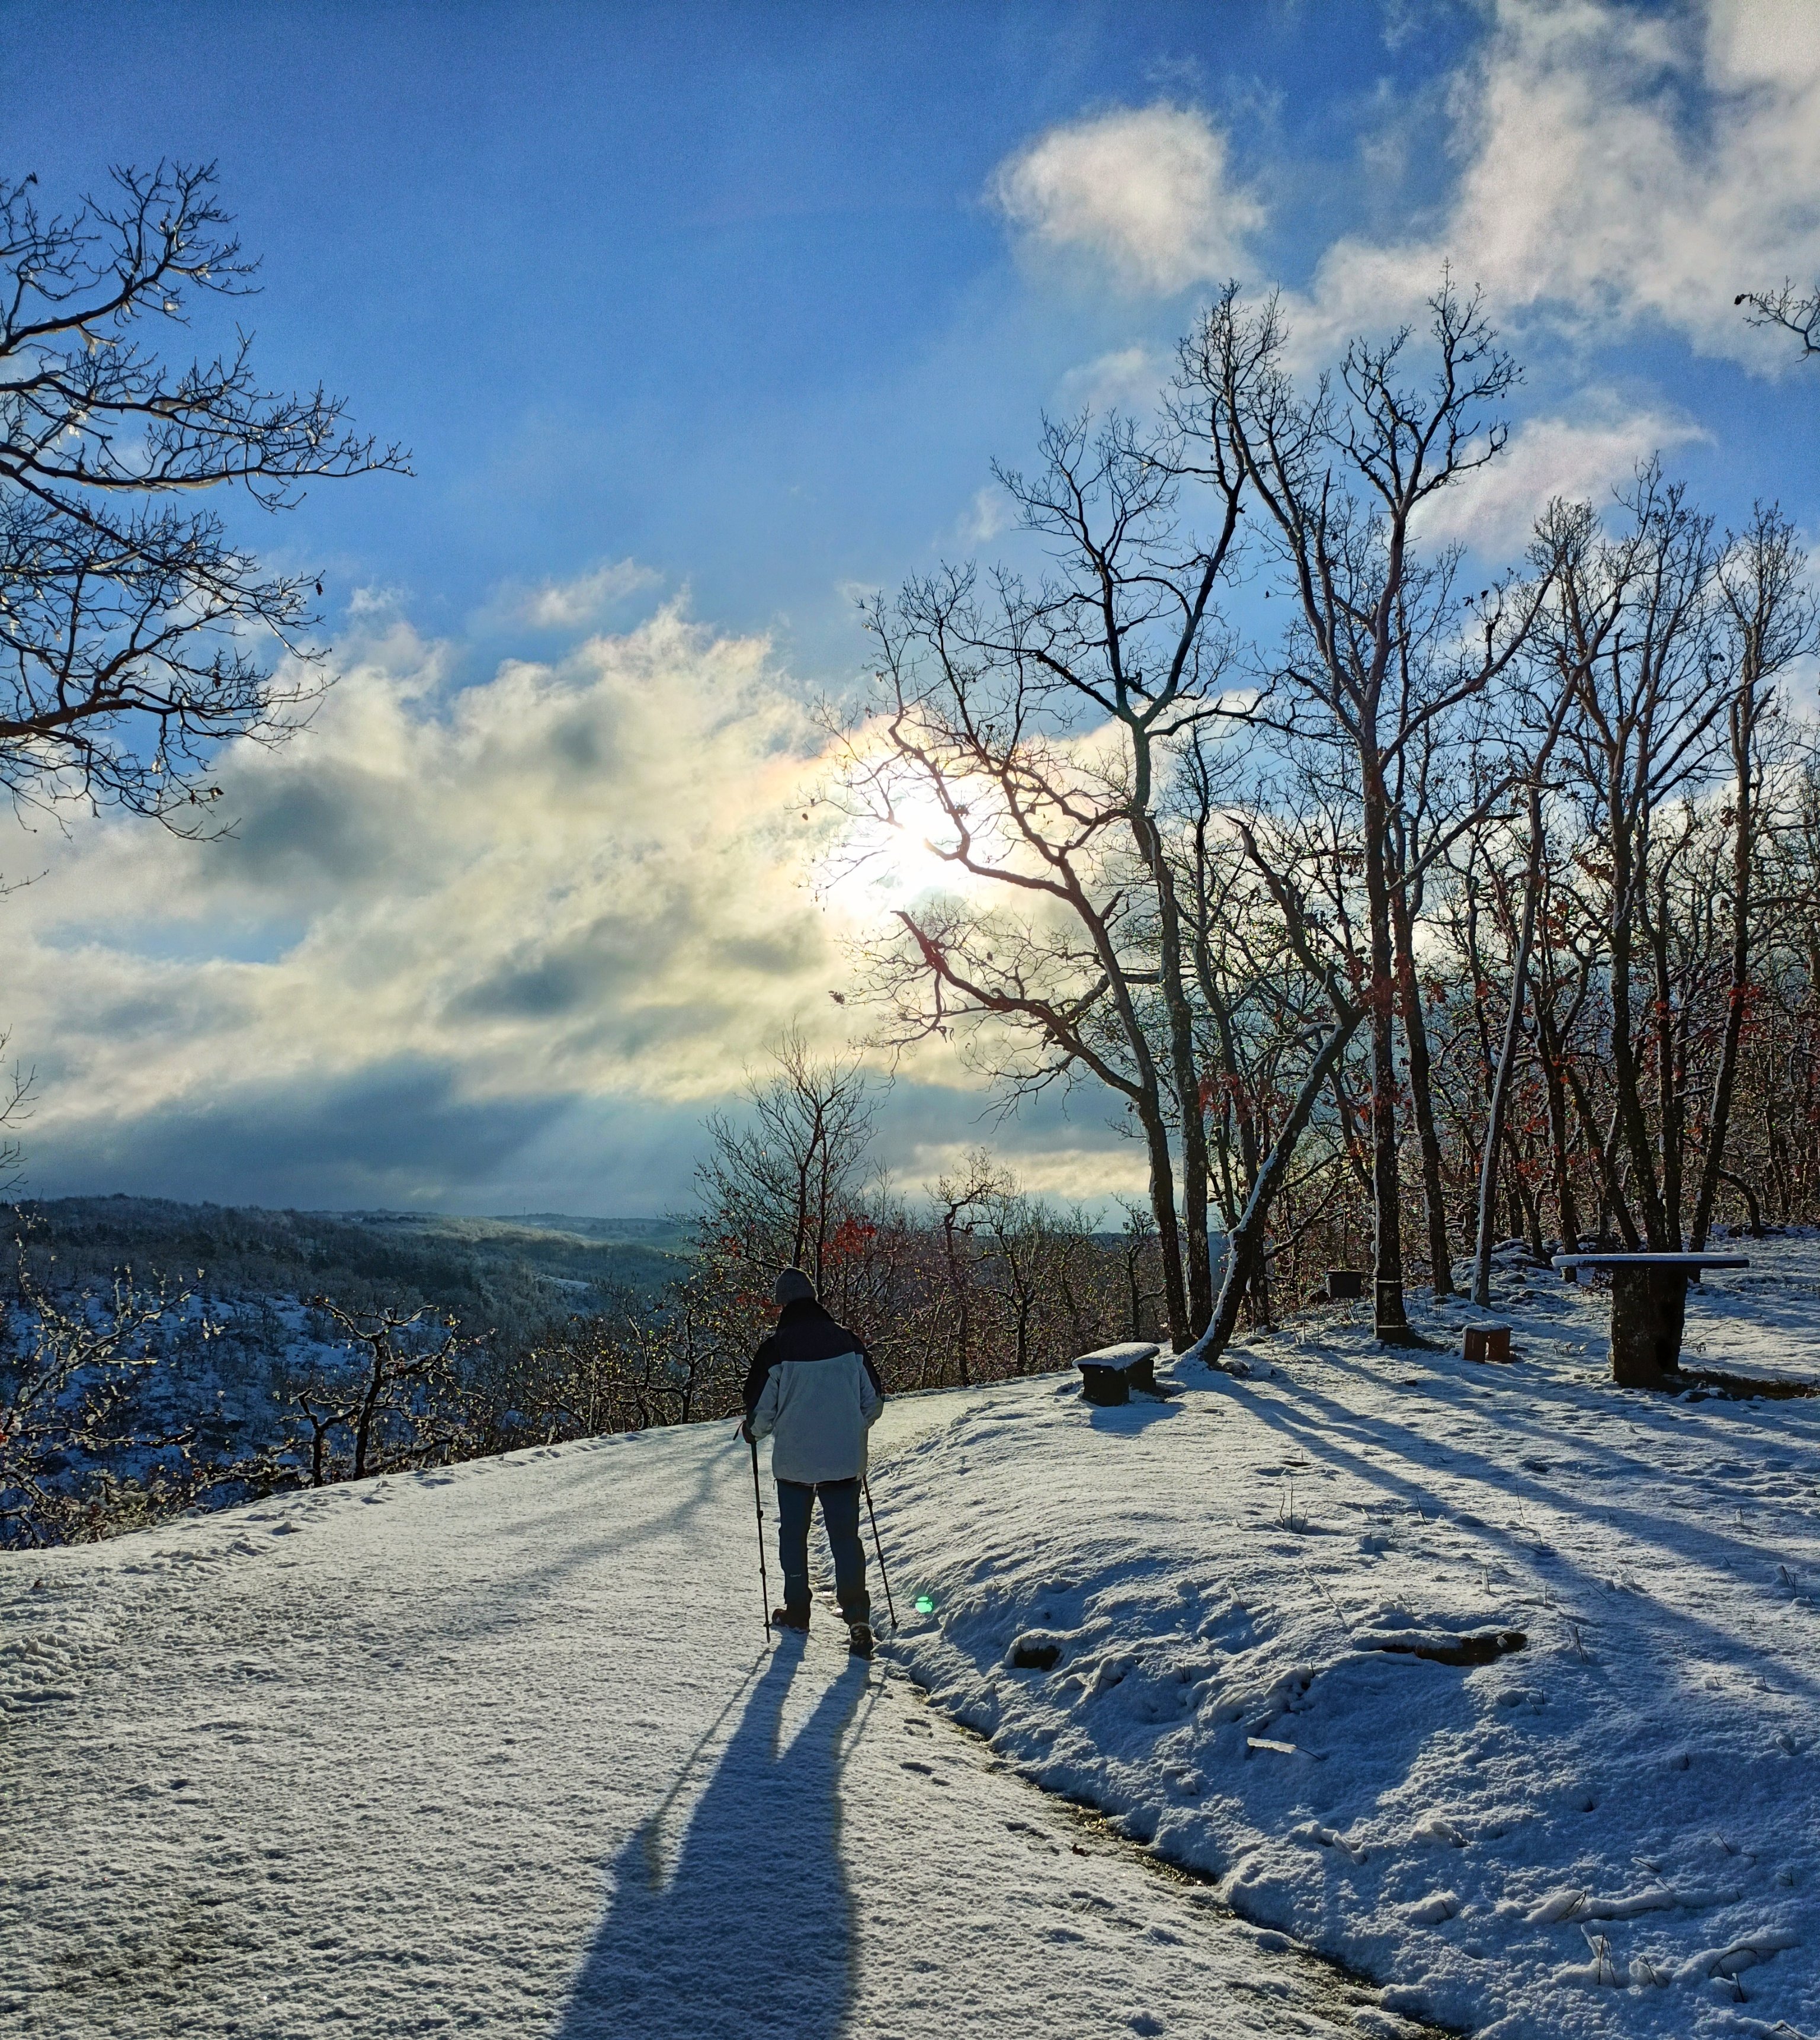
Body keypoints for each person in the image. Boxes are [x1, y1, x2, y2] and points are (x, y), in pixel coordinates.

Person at [742, 1267, 884, 1657]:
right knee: (845, 1540)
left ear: (783, 1304)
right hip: (843, 1460)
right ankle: (858, 1618)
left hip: (795, 1463)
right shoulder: (848, 1342)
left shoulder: (775, 1350)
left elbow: (760, 1416)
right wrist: (852, 1428)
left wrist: (752, 1433)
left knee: (794, 1537)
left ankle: (798, 1611)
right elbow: (874, 1402)